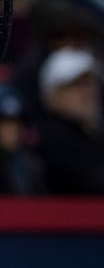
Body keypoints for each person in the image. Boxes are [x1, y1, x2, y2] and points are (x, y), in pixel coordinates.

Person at [36, 47, 104, 194]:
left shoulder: (94, 135)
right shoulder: (49, 140)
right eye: (76, 85)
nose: (88, 92)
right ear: (52, 94)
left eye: (91, 84)